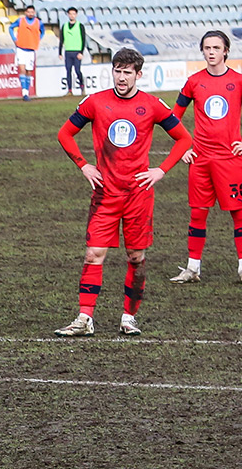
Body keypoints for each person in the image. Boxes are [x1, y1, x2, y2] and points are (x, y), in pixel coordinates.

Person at [53, 48, 193, 337]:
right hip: (105, 194)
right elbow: (64, 133)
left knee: (136, 258)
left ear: (138, 75)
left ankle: (128, 317)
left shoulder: (152, 105)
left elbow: (183, 139)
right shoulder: (95, 102)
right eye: (117, 70)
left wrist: (161, 170)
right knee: (93, 254)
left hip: (138, 196)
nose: (121, 77)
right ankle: (84, 318)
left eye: (127, 72)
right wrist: (83, 165)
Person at [169, 30, 242, 284]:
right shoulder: (194, 82)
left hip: (230, 160)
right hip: (200, 160)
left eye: (216, 47)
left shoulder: (238, 81)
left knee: (239, 212)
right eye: (207, 48)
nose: (211, 52)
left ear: (226, 51)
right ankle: (193, 268)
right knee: (197, 213)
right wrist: (183, 148)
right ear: (202, 51)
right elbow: (172, 119)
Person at [9, 5, 42, 100]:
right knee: (22, 69)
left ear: (34, 13)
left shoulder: (38, 23)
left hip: (31, 49)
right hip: (21, 48)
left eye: (32, 12)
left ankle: (27, 91)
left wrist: (37, 40)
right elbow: (11, 28)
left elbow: (42, 32)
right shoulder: (20, 21)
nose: (30, 13)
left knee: (29, 71)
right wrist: (14, 39)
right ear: (26, 13)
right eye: (29, 12)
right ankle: (24, 93)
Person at [59, 7, 88, 96]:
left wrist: (81, 52)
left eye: (73, 14)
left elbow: (83, 39)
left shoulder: (80, 26)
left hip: (77, 51)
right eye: (70, 14)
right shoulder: (64, 26)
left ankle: (82, 86)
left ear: (76, 15)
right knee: (68, 70)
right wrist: (60, 52)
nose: (72, 15)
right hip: (68, 51)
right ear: (68, 15)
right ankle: (70, 90)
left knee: (77, 70)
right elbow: (62, 39)